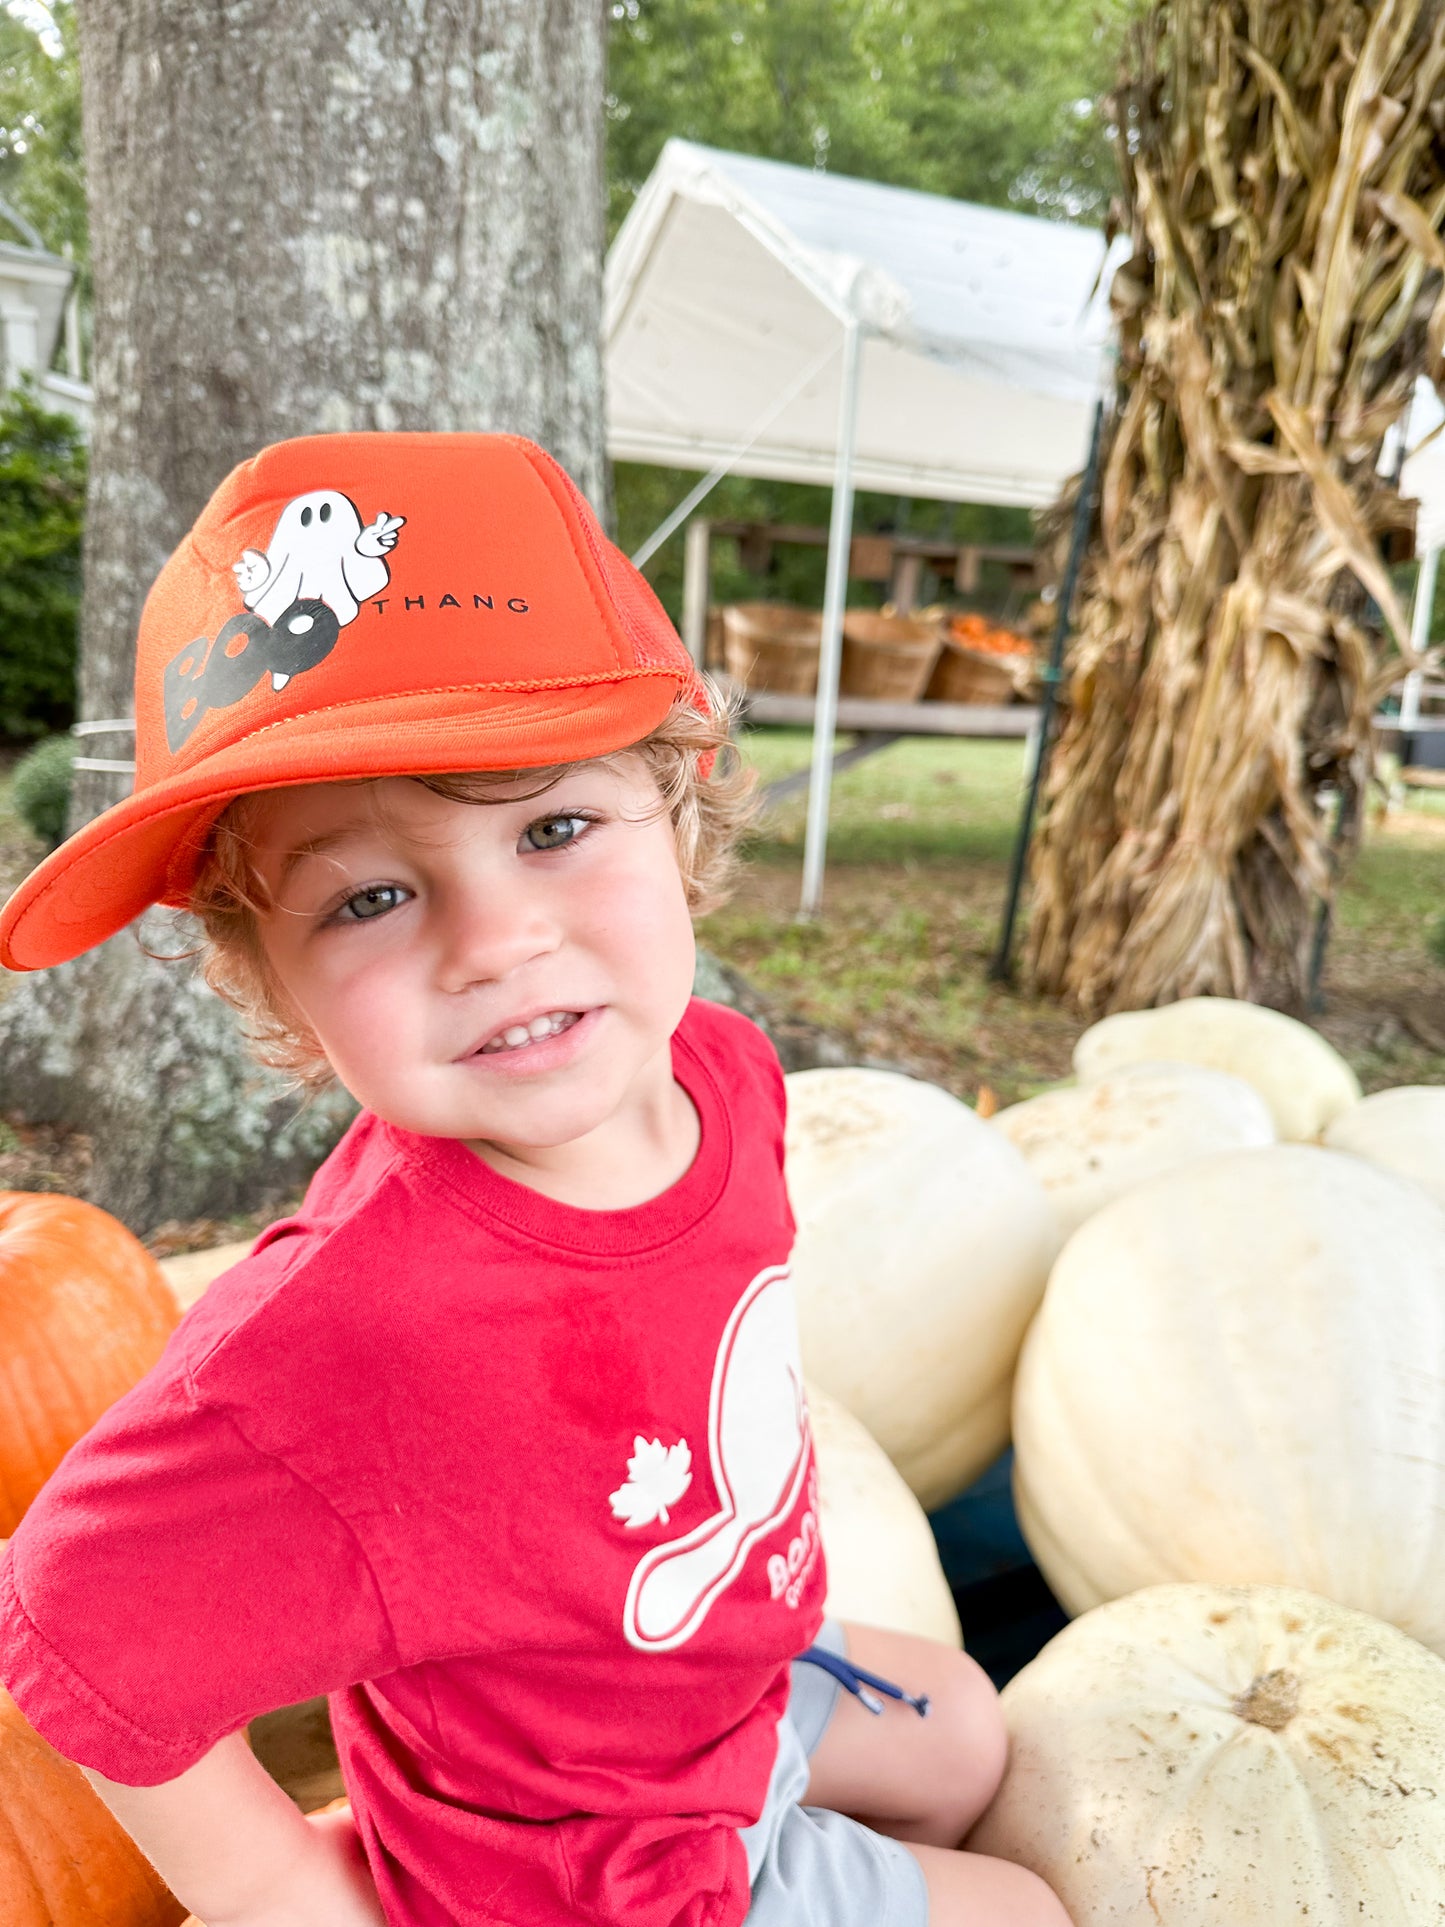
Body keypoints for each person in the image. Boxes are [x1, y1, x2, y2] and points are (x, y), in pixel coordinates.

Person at [0, 432, 1072, 1927]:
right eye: (372, 896)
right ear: (274, 984)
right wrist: (283, 1899)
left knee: (961, 1720)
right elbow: (67, 1617)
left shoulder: (721, 1070)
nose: (495, 938)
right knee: (1028, 1910)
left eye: (553, 827)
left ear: (681, 811)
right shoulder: (345, 1338)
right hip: (580, 1873)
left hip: (698, 1691)